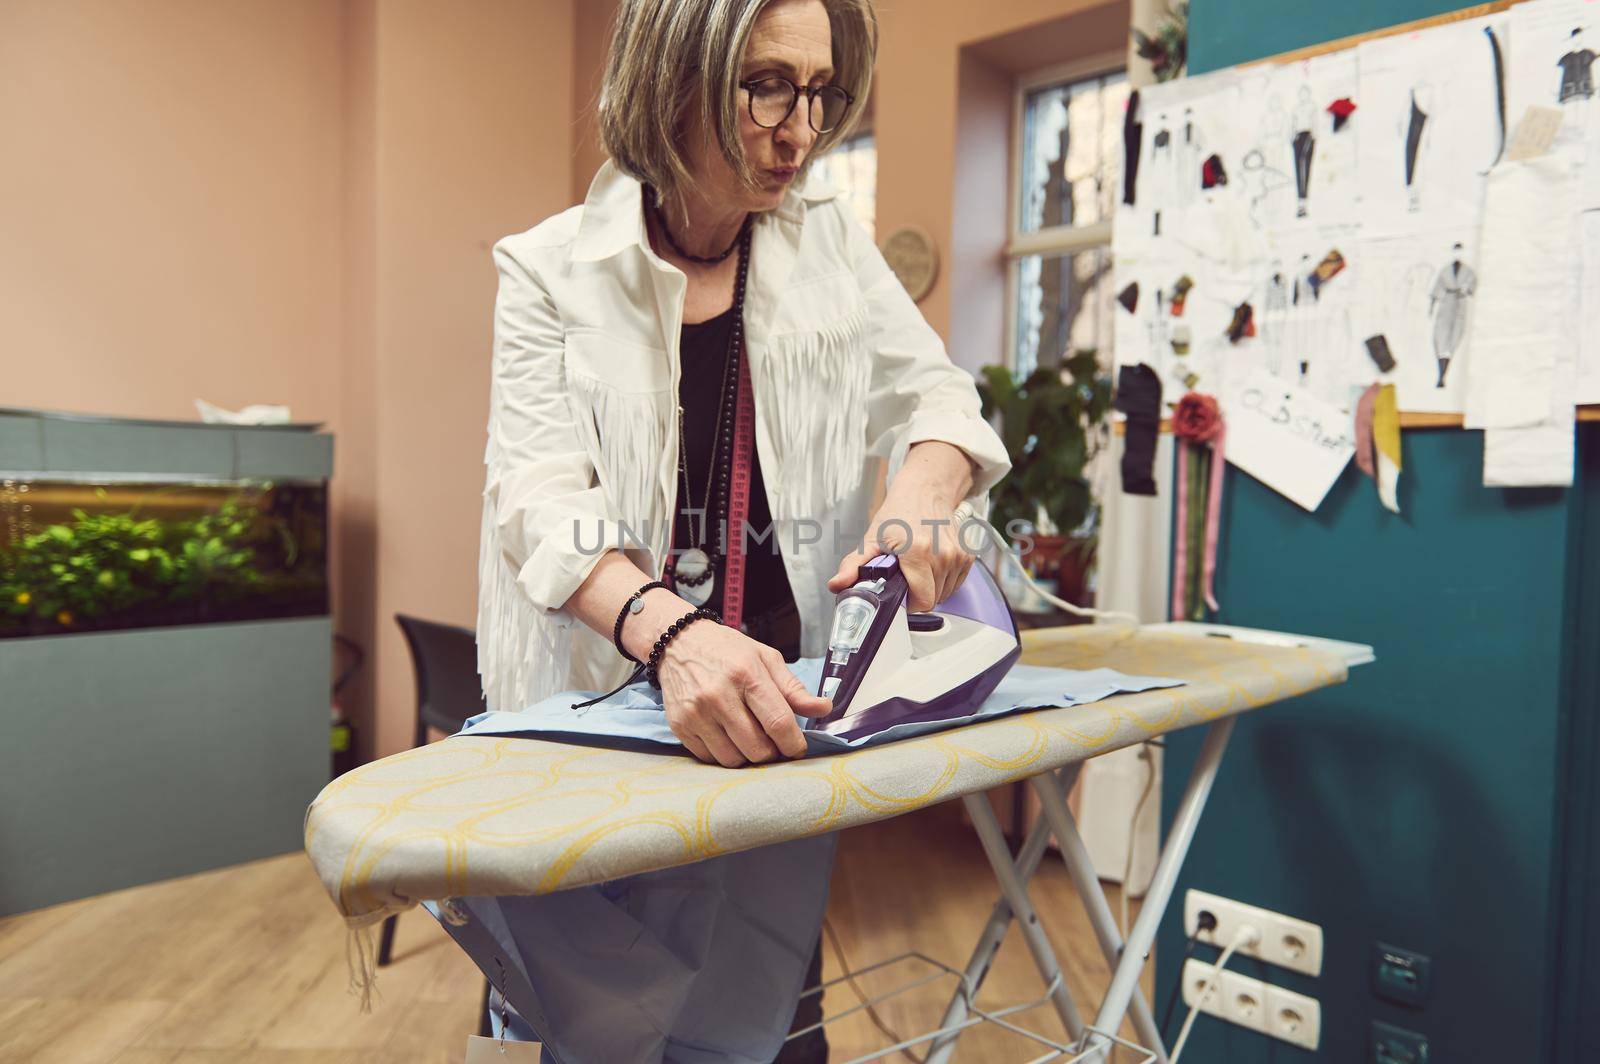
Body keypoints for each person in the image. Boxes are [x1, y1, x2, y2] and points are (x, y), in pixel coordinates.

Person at [475, 1, 1010, 1057]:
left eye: (817, 91)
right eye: (765, 83)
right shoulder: (545, 269)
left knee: (767, 1021)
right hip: (608, 698)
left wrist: (924, 491)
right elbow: (539, 494)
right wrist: (670, 635)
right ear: (672, 75)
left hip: (773, 714)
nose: (798, 128)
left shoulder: (828, 250)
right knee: (599, 1025)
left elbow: (939, 400)